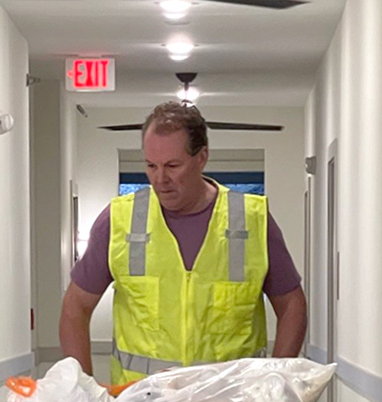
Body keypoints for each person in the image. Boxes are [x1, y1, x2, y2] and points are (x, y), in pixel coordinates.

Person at [59, 101, 308, 385]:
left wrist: (274, 382)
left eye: (172, 166)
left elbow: (292, 305)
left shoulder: (252, 220)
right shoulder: (120, 220)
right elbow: (75, 307)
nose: (160, 179)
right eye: (151, 166)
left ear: (201, 157)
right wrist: (84, 390)